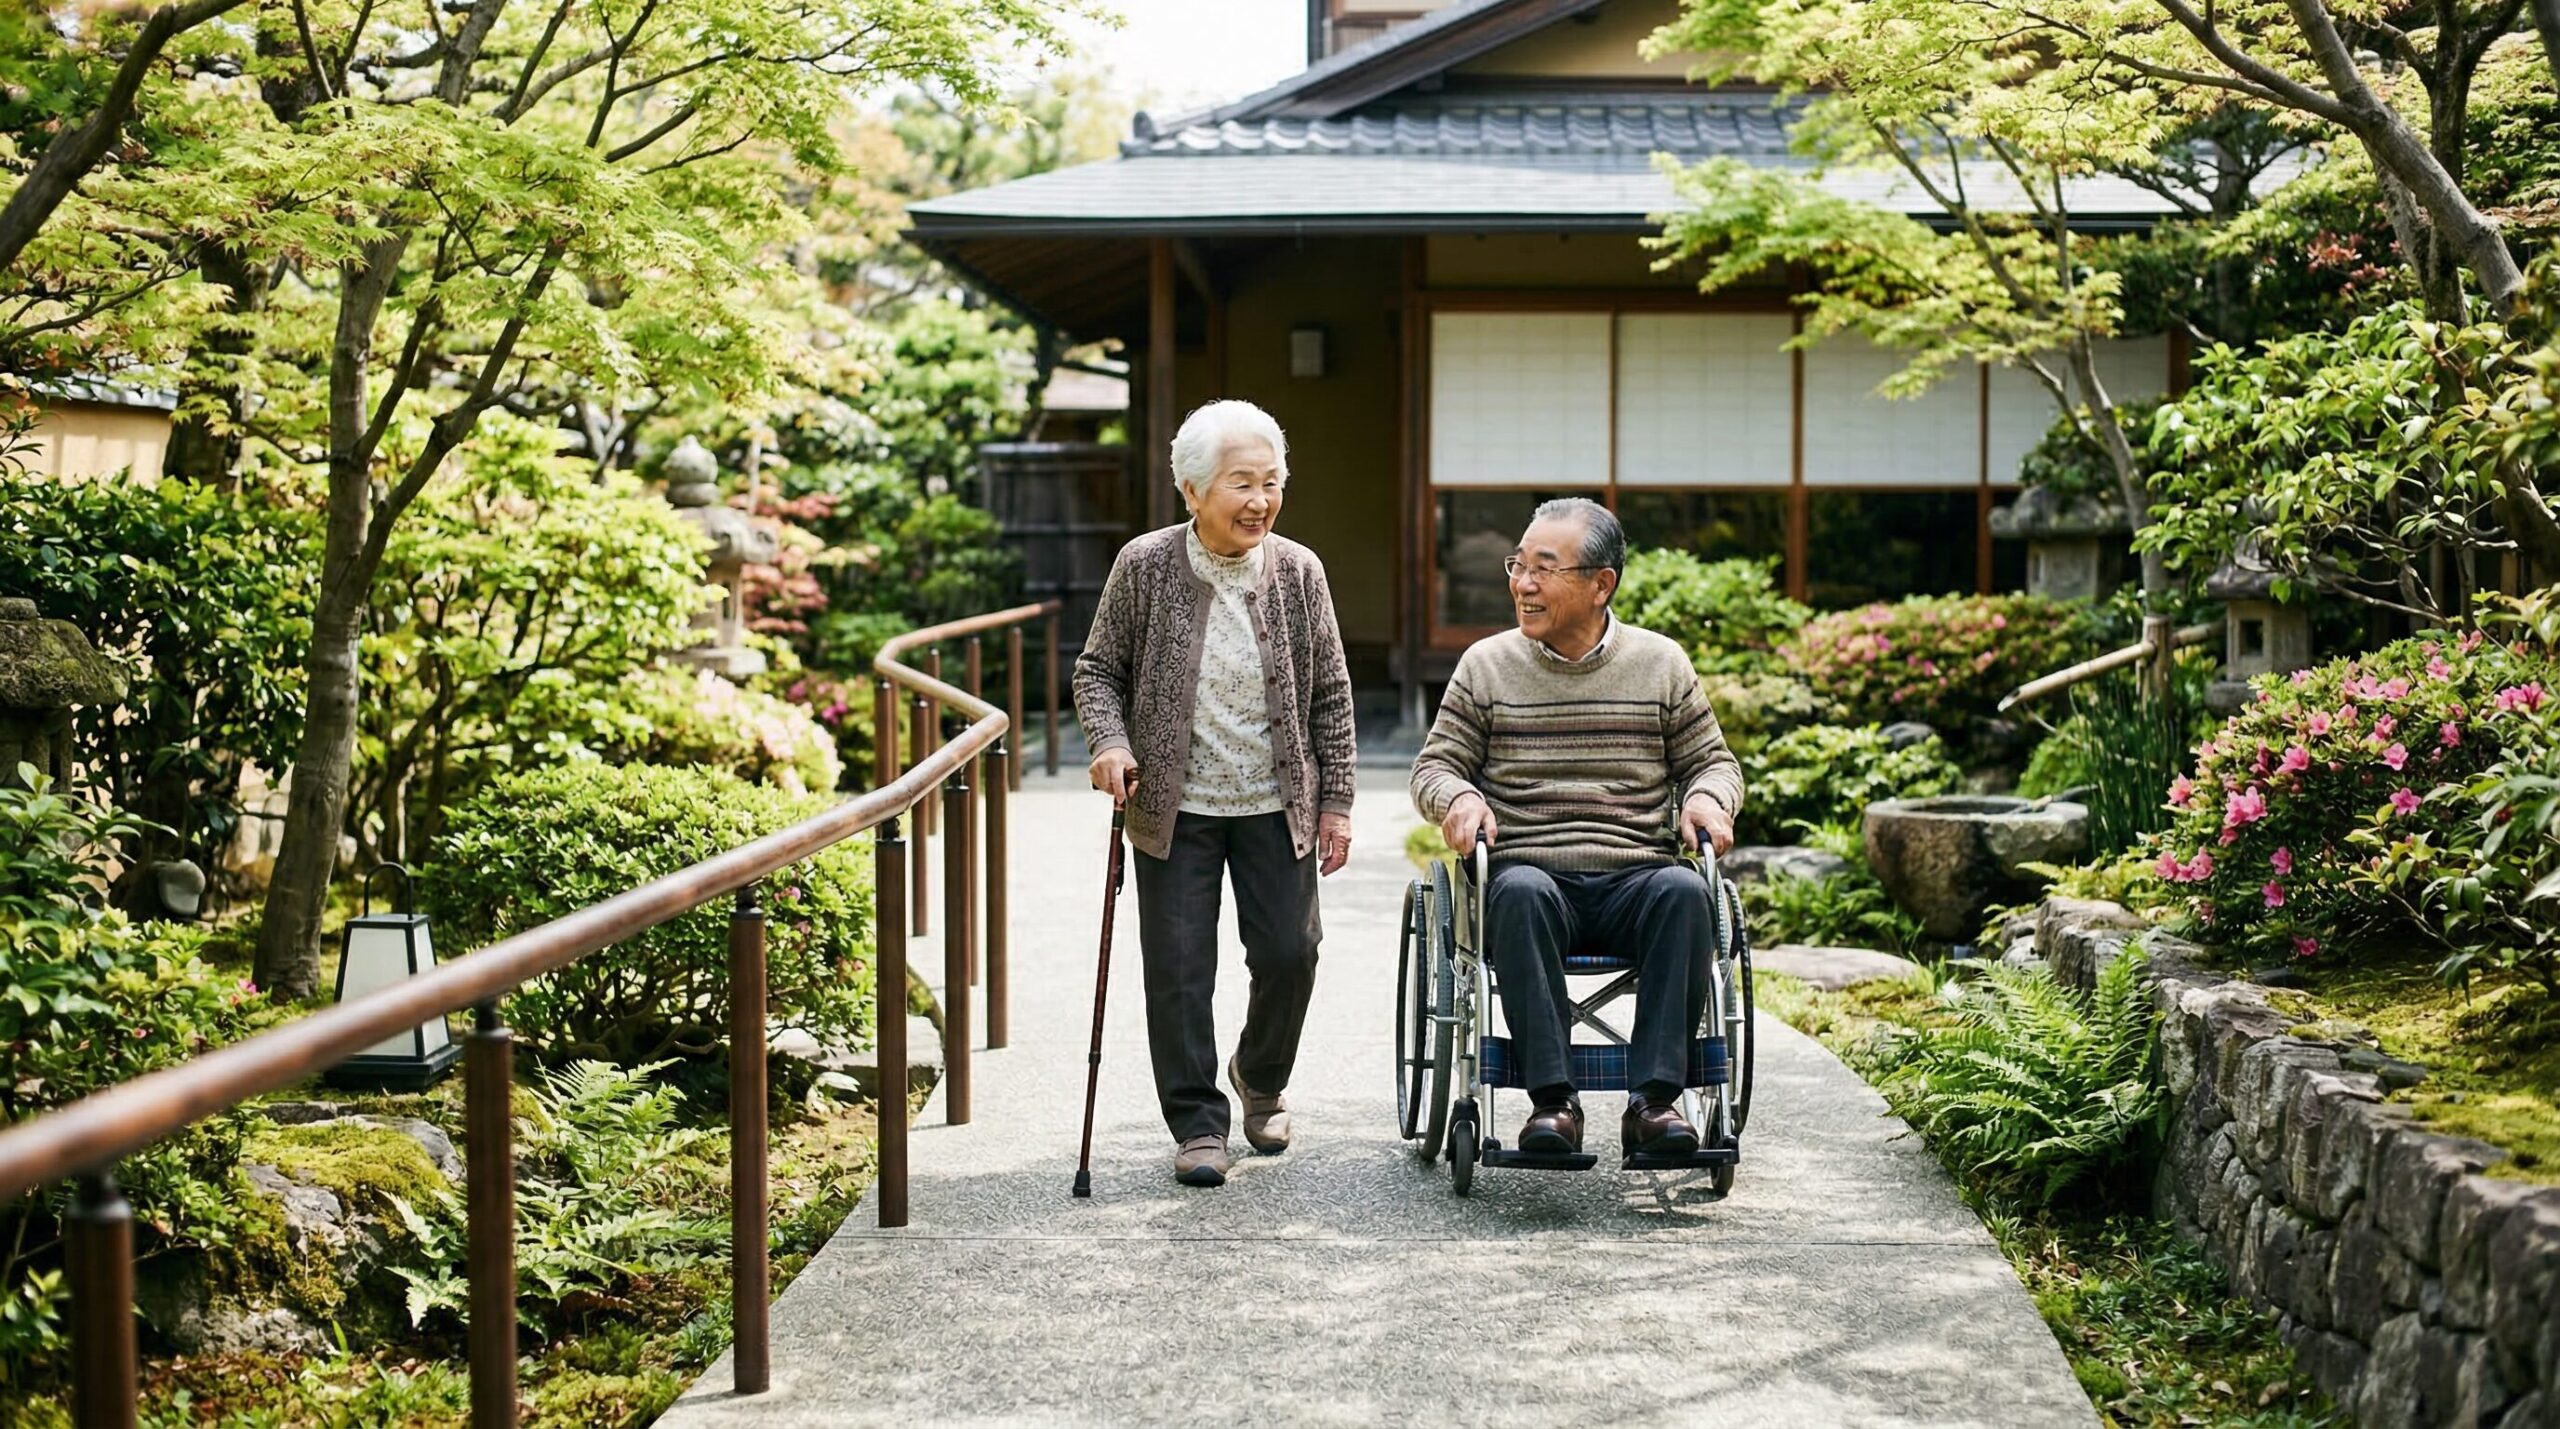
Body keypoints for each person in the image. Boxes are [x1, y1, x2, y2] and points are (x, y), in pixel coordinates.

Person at [1074, 399, 1357, 1188]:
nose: (1261, 500)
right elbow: (1098, 671)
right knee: (1178, 968)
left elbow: (1332, 693)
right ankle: (1199, 1122)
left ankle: (1259, 1076)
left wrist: (1337, 802)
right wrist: (1111, 743)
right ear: (1192, 490)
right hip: (1175, 807)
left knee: (1290, 953)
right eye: (1242, 483)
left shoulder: (1301, 572)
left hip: (1278, 804)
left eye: (1272, 482)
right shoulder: (1145, 565)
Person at [1407, 497, 1744, 1158]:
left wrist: (1708, 799)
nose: (1522, 584)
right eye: (1518, 565)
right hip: (1529, 875)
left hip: (1636, 875)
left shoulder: (1661, 663)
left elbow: (1713, 761)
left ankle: (1654, 1102)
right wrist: (1459, 799)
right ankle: (1554, 1102)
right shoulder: (1486, 666)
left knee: (1685, 892)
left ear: (1601, 584)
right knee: (1521, 891)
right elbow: (1435, 764)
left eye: (1543, 568)